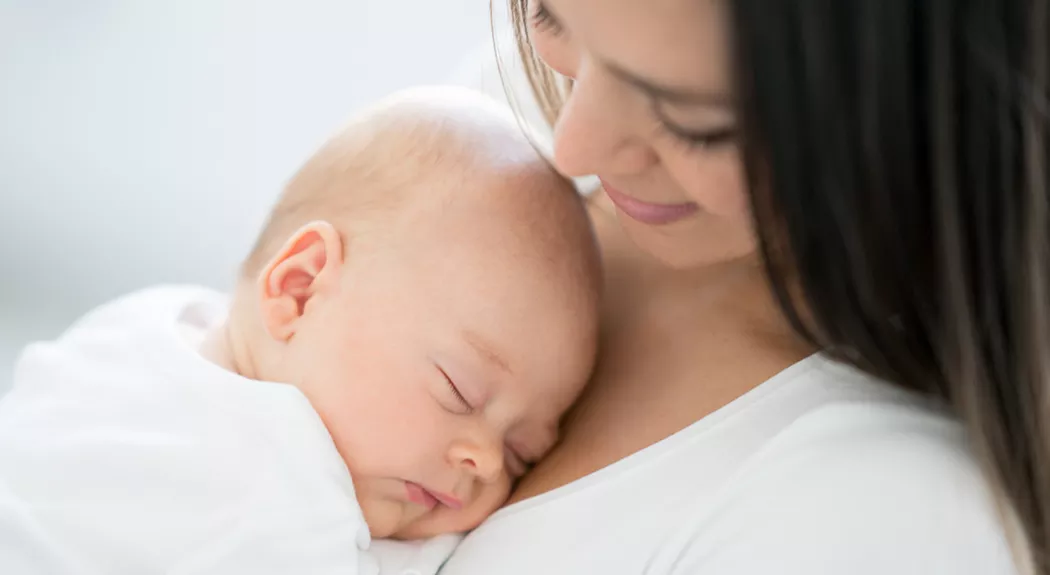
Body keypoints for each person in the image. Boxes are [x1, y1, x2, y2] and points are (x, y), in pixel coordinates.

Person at [440, 1, 1049, 574]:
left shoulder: (874, 522)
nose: (571, 148)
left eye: (693, 123)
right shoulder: (506, 114)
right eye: (552, 17)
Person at [0, 87, 601, 574]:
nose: (486, 462)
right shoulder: (287, 494)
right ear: (300, 290)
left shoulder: (151, 321)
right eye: (459, 391)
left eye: (523, 454)